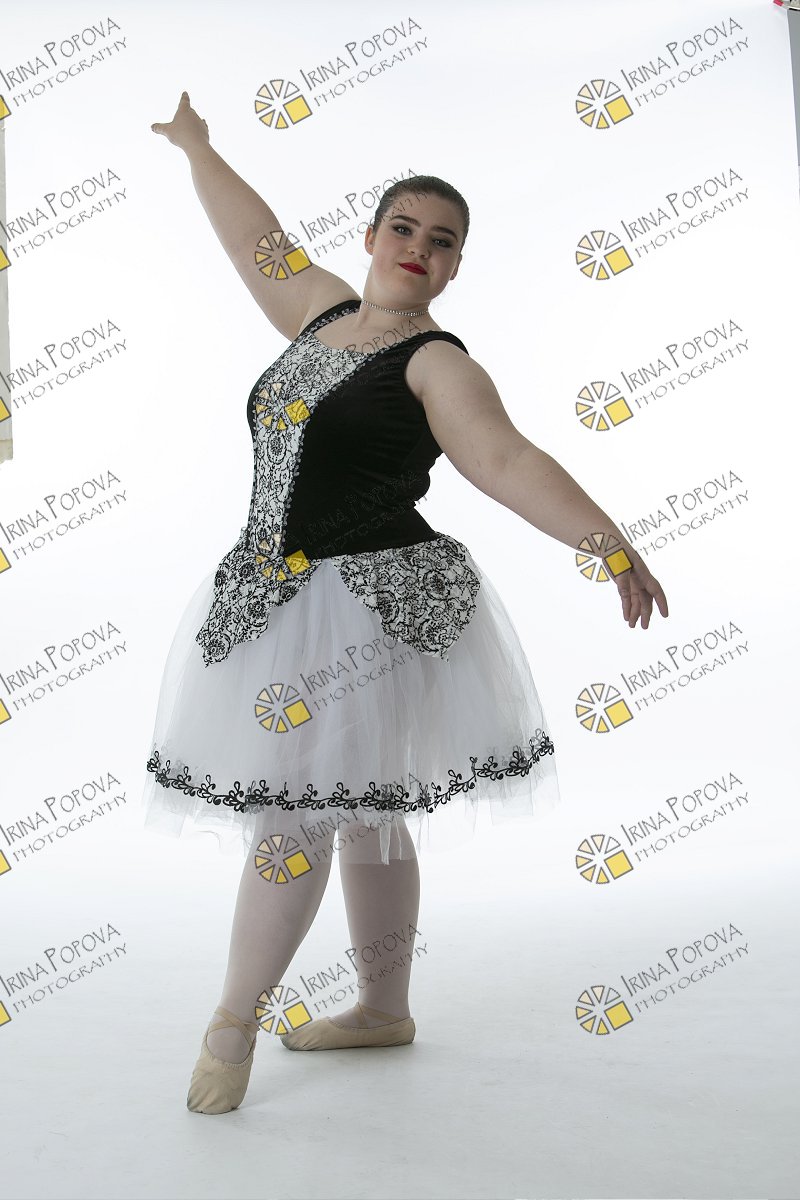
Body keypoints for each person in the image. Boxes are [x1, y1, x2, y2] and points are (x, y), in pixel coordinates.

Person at [145, 92, 668, 1116]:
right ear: (373, 236)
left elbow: (504, 460)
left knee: (302, 818)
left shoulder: (435, 362)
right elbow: (255, 240)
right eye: (404, 228)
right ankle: (383, 1008)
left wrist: (607, 544)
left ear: (457, 265)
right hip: (274, 594)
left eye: (442, 241)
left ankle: (231, 1021)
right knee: (363, 815)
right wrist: (199, 149)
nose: (418, 249)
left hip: (371, 611)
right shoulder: (321, 310)